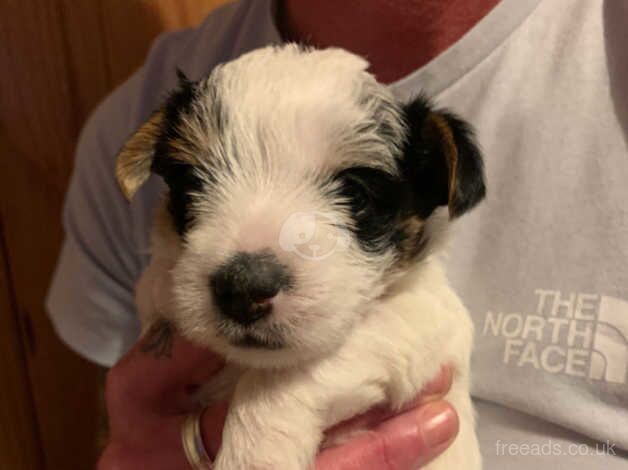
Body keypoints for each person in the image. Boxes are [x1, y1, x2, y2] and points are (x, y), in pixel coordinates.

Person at [47, 0, 628, 468]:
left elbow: (411, 350)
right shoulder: (131, 110)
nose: (251, 271)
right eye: (201, 187)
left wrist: (272, 415)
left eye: (353, 194)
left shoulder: (418, 311)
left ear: (430, 195)